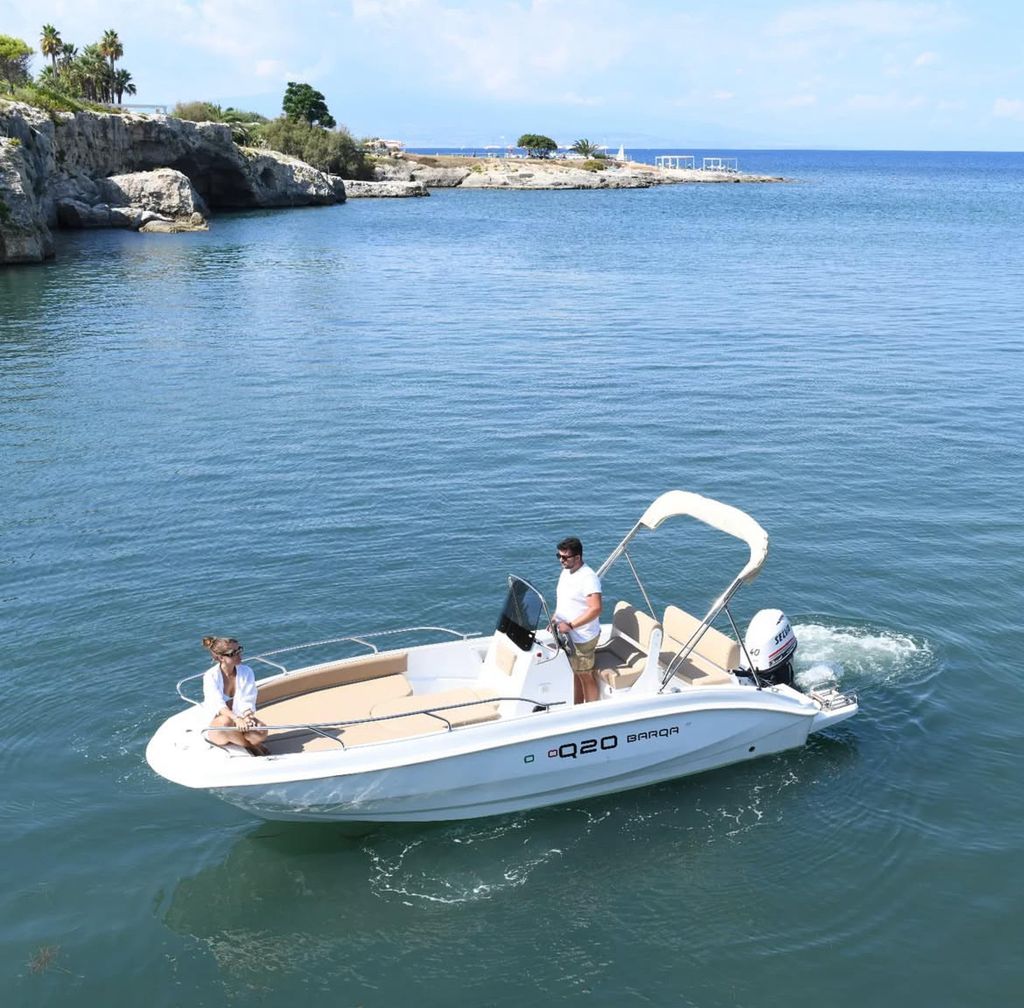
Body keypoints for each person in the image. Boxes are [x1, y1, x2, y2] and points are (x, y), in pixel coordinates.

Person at [552, 536, 603, 703]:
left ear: (578, 557)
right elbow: (566, 600)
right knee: (576, 672)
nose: (561, 560)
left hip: (582, 637)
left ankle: (590, 713)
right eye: (558, 556)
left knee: (585, 675)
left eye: (565, 557)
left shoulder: (588, 578)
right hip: (569, 634)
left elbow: (595, 608)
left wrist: (571, 625)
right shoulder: (566, 571)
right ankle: (578, 707)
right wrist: (556, 617)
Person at [201, 636, 270, 756]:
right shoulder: (210, 676)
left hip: (240, 719)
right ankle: (251, 746)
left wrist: (247, 716)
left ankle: (247, 740)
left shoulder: (246, 671)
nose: (239, 655)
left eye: (239, 650)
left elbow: (248, 698)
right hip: (217, 726)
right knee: (225, 722)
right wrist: (236, 719)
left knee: (261, 731)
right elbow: (217, 704)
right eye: (233, 653)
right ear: (221, 657)